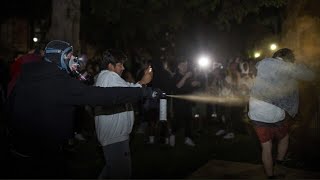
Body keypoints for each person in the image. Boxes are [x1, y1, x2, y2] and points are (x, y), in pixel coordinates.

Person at [6, 40, 157, 178]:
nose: (74, 59)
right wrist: (141, 90)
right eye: (70, 56)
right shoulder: (60, 83)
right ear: (59, 57)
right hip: (45, 154)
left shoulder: (27, 74)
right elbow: (101, 96)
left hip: (19, 151)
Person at [248, 48, 315, 178]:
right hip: (272, 111)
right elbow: (310, 76)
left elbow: (257, 66)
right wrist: (300, 65)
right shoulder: (288, 67)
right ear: (289, 58)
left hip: (255, 109)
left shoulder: (264, 62)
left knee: (266, 147)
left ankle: (270, 176)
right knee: (284, 137)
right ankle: (279, 163)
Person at [94, 49, 152, 179]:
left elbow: (127, 88)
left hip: (113, 136)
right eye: (120, 64)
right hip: (115, 137)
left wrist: (140, 85)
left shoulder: (107, 78)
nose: (123, 68)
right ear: (110, 66)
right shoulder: (109, 76)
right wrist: (143, 82)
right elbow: (128, 93)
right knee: (122, 174)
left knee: (111, 171)